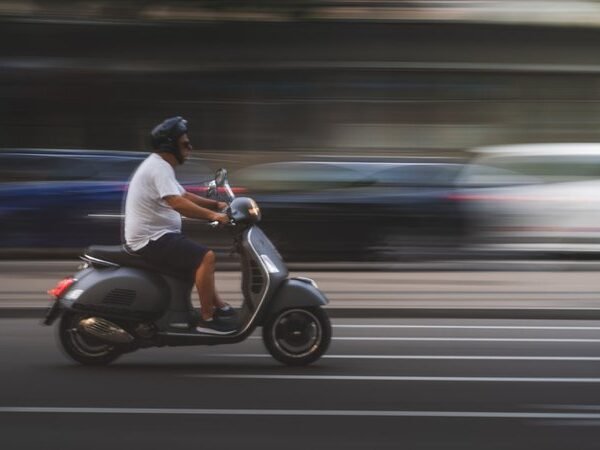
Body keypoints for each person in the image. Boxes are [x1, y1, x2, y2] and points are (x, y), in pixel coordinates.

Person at [124, 116, 236, 334]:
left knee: (197, 259)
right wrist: (215, 215)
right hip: (151, 238)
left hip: (159, 235)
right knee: (206, 257)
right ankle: (207, 319)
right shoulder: (159, 168)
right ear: (170, 145)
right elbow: (178, 203)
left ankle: (219, 306)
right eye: (185, 143)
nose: (190, 147)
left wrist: (217, 203)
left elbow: (182, 194)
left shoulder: (160, 166)